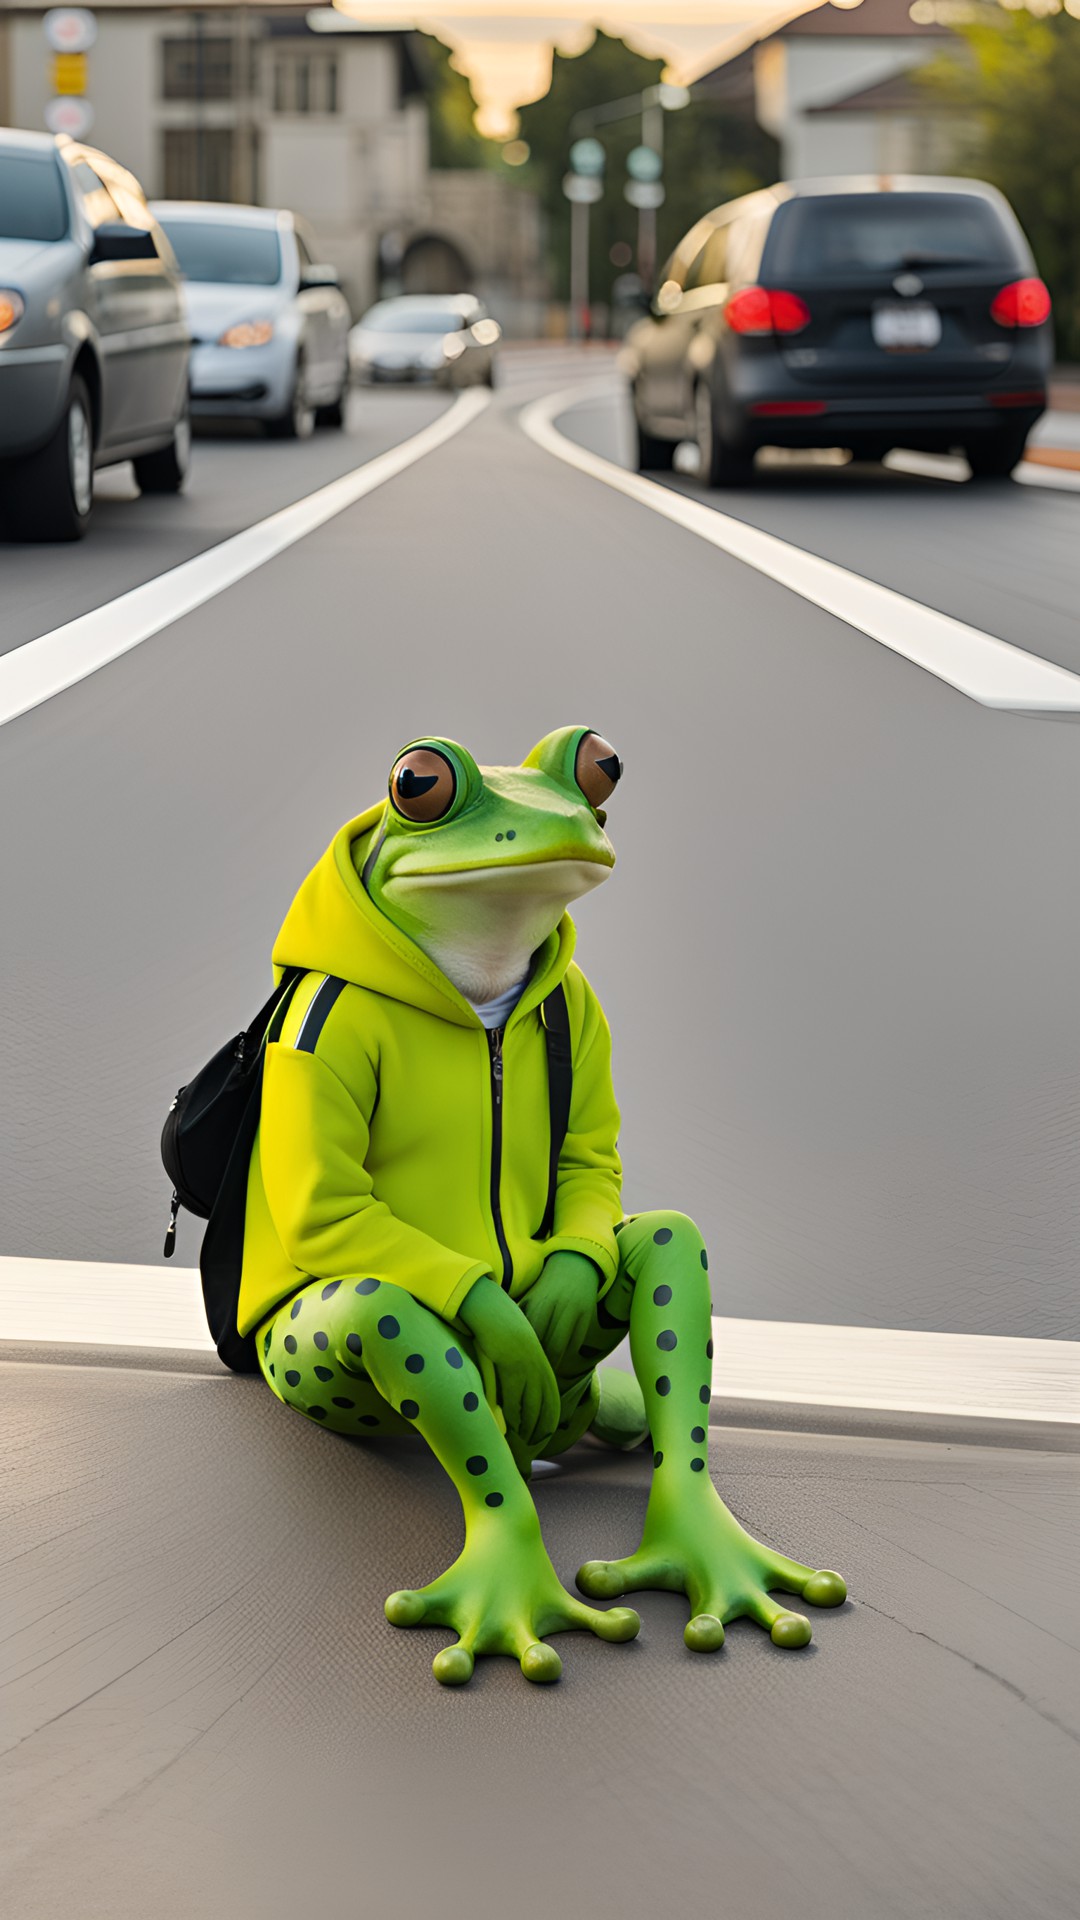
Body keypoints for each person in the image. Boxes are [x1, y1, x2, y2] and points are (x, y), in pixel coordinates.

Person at [240, 725, 846, 1685]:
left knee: (668, 1240)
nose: (561, 818)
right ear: (378, 851)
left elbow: (588, 1162)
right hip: (348, 1342)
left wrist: (574, 1255)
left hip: (528, 1328)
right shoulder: (329, 1014)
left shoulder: (567, 1005)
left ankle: (689, 1502)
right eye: (430, 791)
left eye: (591, 783)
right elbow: (322, 1216)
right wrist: (474, 1297)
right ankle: (500, 1527)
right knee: (382, 1307)